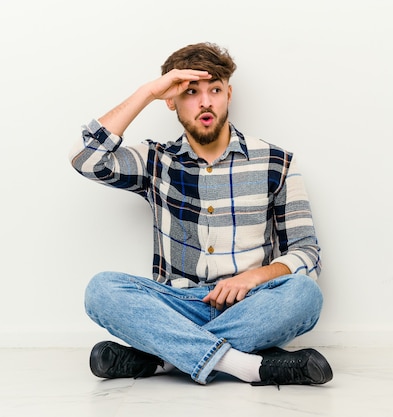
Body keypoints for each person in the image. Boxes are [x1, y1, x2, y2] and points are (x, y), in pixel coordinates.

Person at [68, 42, 332, 387]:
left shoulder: (276, 161)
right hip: (176, 303)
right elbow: (86, 158)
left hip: (249, 306)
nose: (205, 101)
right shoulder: (155, 160)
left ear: (229, 94)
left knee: (303, 294)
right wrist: (147, 92)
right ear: (171, 100)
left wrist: (253, 278)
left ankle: (162, 359)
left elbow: (306, 253)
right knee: (101, 290)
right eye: (190, 92)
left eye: (215, 90)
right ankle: (247, 366)